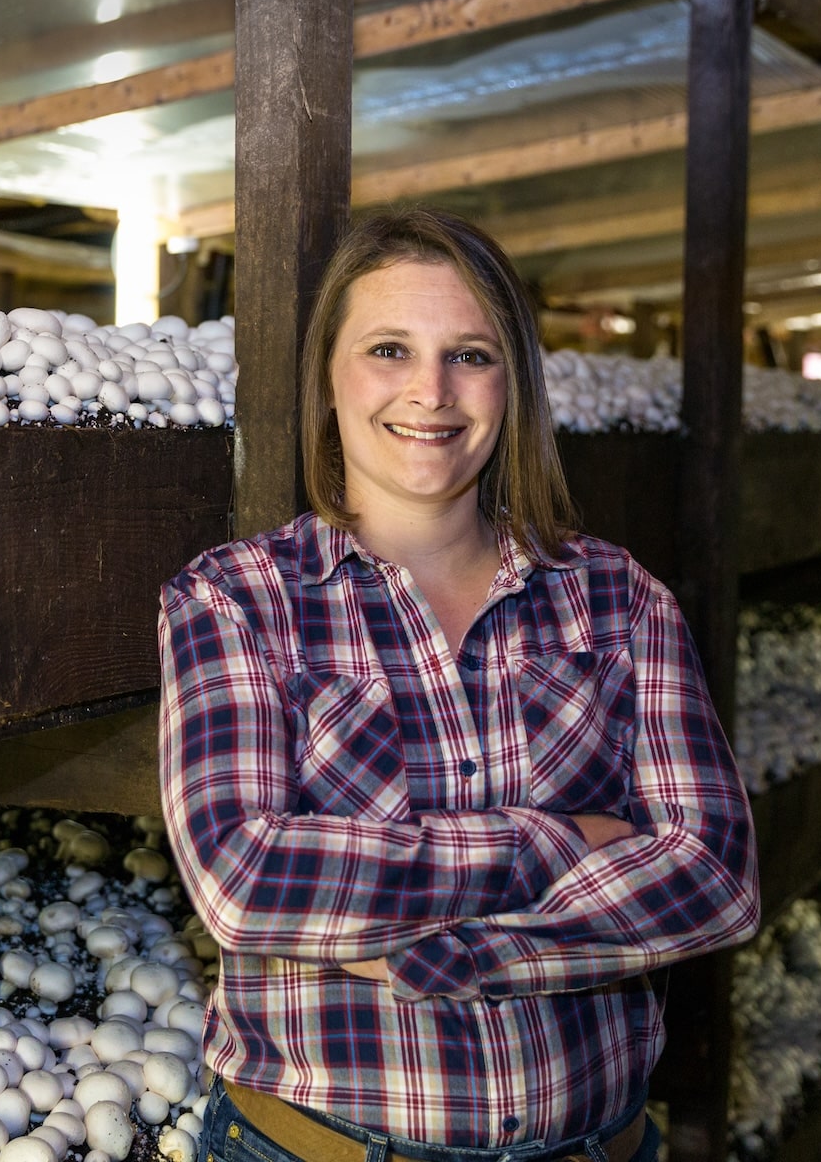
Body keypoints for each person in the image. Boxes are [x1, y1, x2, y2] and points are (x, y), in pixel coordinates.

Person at [157, 207, 759, 1162]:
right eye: (390, 349)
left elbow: (714, 878)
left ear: (513, 381)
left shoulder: (616, 599)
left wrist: (456, 956)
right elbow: (246, 880)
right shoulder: (238, 601)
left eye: (470, 354)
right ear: (328, 378)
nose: (430, 392)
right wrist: (560, 845)